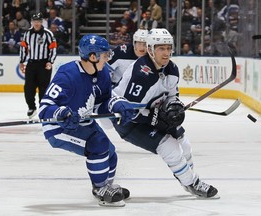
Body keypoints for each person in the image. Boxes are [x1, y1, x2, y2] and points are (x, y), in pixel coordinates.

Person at [112, 28, 219, 199]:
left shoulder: (172, 69)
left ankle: (188, 179)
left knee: (184, 143)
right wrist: (157, 119)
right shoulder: (141, 74)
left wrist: (173, 106)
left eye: (168, 48)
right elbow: (130, 112)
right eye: (161, 48)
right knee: (169, 146)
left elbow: (171, 95)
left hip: (152, 114)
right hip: (128, 123)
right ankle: (191, 182)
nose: (166, 53)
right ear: (151, 50)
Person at [38, 34, 136, 206]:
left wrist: (118, 105)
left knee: (110, 153)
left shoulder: (104, 73)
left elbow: (102, 103)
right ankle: (100, 189)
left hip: (84, 123)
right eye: (105, 55)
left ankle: (107, 186)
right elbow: (44, 108)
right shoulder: (67, 74)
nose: (108, 58)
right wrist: (61, 113)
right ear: (93, 56)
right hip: (59, 128)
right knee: (98, 144)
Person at [19, 12, 57, 118]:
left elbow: (53, 48)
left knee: (43, 88)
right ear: (32, 22)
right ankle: (31, 107)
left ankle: (43, 108)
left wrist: (50, 61)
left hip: (44, 64)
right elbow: (23, 48)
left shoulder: (48, 33)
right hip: (31, 63)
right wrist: (21, 61)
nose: (37, 23)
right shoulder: (27, 34)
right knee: (28, 87)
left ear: (42, 22)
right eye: (35, 21)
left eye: (39, 21)